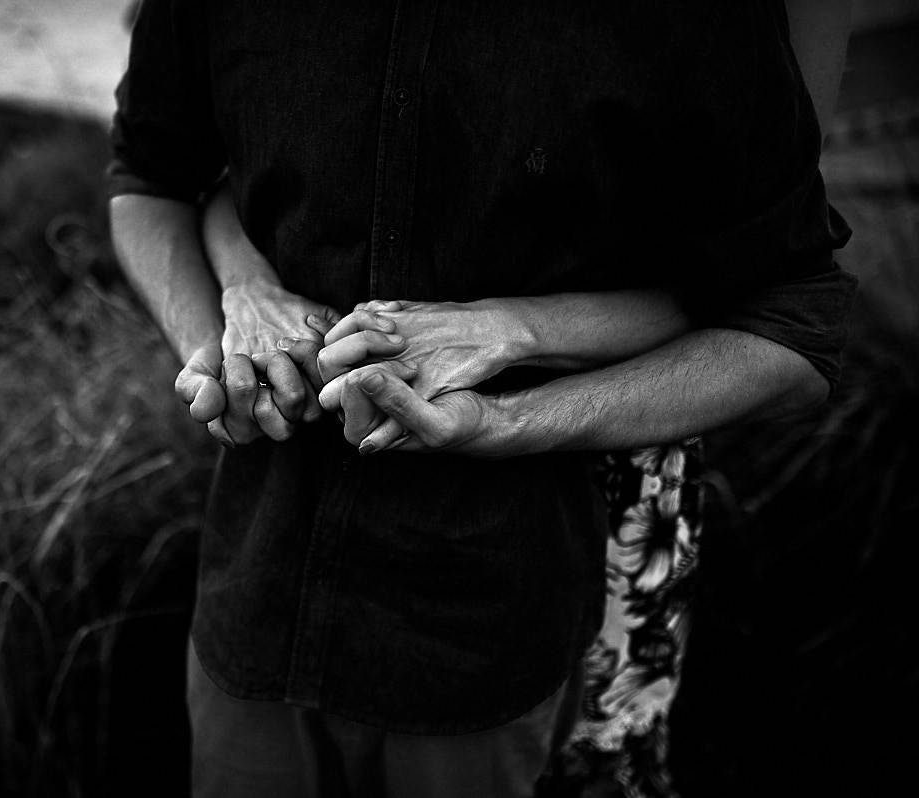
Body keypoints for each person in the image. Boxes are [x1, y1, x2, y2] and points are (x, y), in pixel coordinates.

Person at [107, 1, 855, 795]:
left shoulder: (696, 25)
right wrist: (223, 331)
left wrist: (505, 387)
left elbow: (782, 312)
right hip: (255, 585)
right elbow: (157, 177)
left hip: (497, 617)